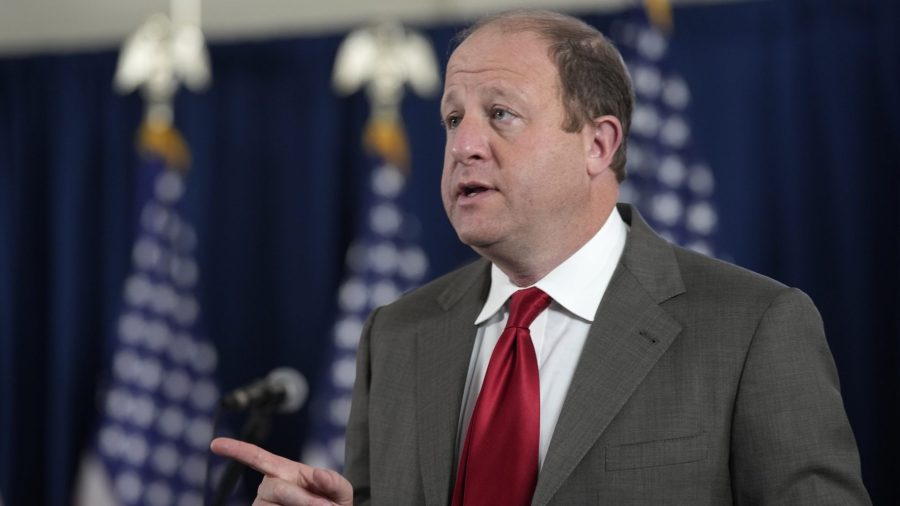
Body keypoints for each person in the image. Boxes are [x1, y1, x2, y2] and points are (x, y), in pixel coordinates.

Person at [211, 9, 870, 505]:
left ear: (597, 144)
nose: (465, 144)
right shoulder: (397, 334)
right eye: (451, 118)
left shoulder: (753, 326)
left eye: (500, 114)